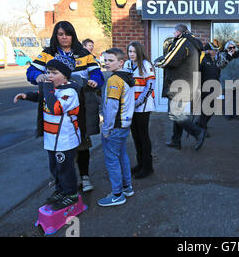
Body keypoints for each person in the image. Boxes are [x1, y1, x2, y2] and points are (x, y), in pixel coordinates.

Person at [27, 21, 104, 193]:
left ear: (72, 35)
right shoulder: (48, 53)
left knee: (82, 141)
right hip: (54, 105)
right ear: (56, 36)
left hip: (79, 105)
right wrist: (37, 76)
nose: (64, 37)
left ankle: (84, 177)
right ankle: (62, 181)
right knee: (58, 146)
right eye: (60, 34)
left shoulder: (83, 53)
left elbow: (97, 73)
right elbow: (31, 71)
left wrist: (95, 81)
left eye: (67, 34)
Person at [15, 57, 81, 210]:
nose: (49, 76)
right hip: (51, 138)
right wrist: (27, 95)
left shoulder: (70, 92)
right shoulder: (53, 89)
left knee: (65, 168)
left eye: (54, 73)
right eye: (48, 72)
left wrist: (48, 89)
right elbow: (41, 96)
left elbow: (55, 108)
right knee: (55, 168)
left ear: (65, 75)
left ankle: (71, 194)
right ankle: (61, 190)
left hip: (65, 140)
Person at [155, 24, 206, 151]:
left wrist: (158, 62)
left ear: (179, 32)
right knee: (178, 113)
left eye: (174, 32)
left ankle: (197, 132)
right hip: (186, 83)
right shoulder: (193, 43)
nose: (173, 34)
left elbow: (171, 60)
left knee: (175, 114)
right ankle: (175, 140)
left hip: (178, 84)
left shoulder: (183, 41)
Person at [98, 48, 135, 207]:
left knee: (112, 160)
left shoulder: (115, 80)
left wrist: (106, 128)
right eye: (105, 60)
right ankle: (127, 187)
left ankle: (117, 194)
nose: (107, 63)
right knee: (122, 156)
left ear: (120, 62)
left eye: (110, 60)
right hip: (125, 124)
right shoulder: (127, 76)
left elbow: (112, 107)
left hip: (115, 126)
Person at [126, 41, 156, 179]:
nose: (131, 54)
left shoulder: (145, 64)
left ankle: (148, 167)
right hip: (131, 107)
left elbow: (150, 86)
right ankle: (140, 164)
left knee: (143, 136)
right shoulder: (127, 65)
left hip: (143, 107)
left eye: (134, 51)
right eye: (129, 51)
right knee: (135, 136)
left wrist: (138, 102)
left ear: (139, 51)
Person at [218, 40, 239, 120]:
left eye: (233, 47)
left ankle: (235, 114)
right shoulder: (223, 55)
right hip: (227, 79)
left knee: (236, 97)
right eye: (230, 48)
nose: (232, 49)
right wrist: (228, 57)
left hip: (237, 79)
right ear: (226, 49)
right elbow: (220, 65)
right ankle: (228, 114)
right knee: (228, 97)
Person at [196, 42, 220, 132]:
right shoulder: (202, 59)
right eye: (214, 50)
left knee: (211, 109)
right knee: (205, 110)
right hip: (205, 88)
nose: (216, 52)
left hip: (214, 88)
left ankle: (199, 124)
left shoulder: (214, 60)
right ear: (208, 51)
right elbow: (197, 72)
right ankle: (202, 130)